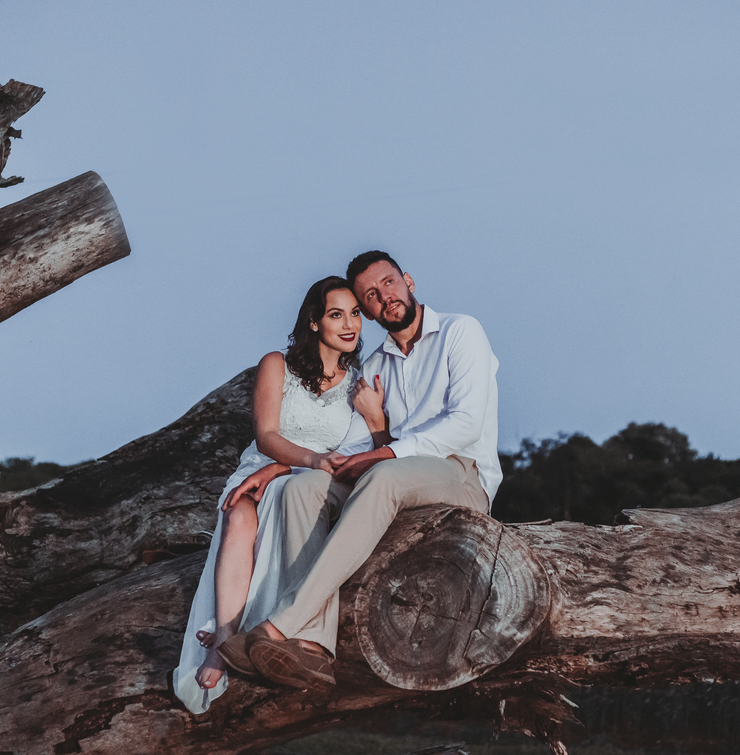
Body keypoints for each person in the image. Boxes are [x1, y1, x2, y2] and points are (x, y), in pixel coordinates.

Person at [219, 250, 500, 689]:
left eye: (388, 283)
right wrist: (282, 468)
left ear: (408, 281)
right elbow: (349, 448)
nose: (383, 296)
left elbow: (464, 424)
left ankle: (278, 625)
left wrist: (385, 454)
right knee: (304, 488)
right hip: (396, 476)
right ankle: (312, 648)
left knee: (383, 476)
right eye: (370, 295)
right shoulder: (373, 367)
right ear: (368, 311)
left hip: (460, 473)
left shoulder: (460, 331)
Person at [172, 276, 382, 713]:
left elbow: (355, 453)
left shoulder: (358, 385)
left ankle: (265, 629)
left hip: (308, 480)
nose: (350, 325)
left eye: (355, 314)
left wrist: (307, 464)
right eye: (336, 314)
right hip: (265, 465)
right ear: (314, 321)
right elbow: (266, 434)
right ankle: (224, 639)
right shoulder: (277, 365)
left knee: (292, 495)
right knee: (239, 513)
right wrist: (302, 460)